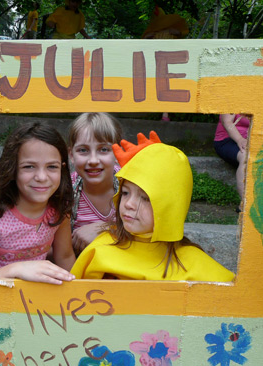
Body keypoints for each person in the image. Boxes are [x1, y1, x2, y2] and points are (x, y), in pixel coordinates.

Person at [71, 131, 235, 281]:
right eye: (126, 193)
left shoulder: (196, 265)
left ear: (171, 206)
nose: (128, 204)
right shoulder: (99, 251)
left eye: (145, 198)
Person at [0, 122, 76, 285]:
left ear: (62, 169)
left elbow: (65, 257)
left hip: (36, 299)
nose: (41, 177)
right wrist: (15, 270)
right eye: (29, 167)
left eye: (52, 167)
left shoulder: (58, 209)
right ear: (12, 169)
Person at [68, 113, 123, 255]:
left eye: (103, 149)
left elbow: (147, 230)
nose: (93, 160)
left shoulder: (130, 184)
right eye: (83, 150)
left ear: (117, 154)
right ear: (72, 156)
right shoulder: (65, 189)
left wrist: (105, 228)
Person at [142, 5, 189, 122]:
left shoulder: (172, 30)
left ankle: (165, 115)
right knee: (154, 85)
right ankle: (154, 110)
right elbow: (143, 41)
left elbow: (182, 33)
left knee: (167, 86)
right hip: (154, 61)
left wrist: (175, 32)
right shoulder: (152, 32)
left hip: (169, 62)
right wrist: (148, 36)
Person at [213, 114, 251, 202]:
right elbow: (226, 121)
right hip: (227, 140)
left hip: (252, 140)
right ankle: (245, 204)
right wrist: (240, 140)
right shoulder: (232, 100)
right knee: (246, 157)